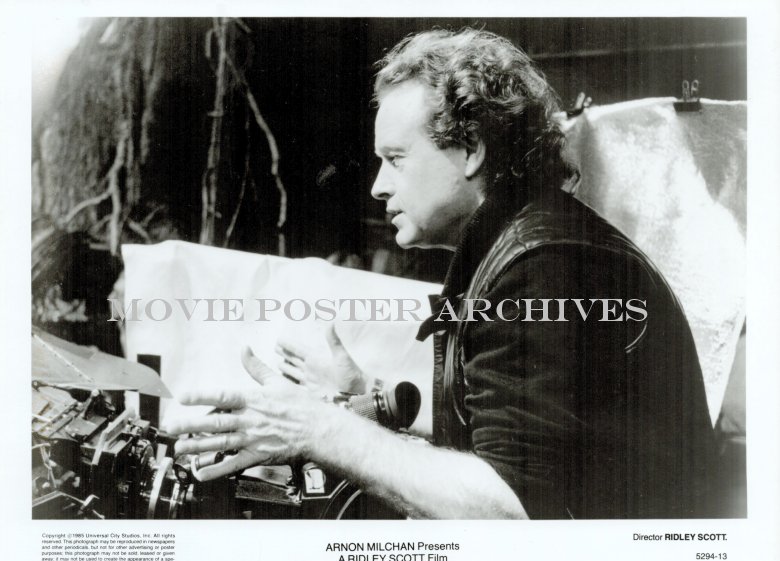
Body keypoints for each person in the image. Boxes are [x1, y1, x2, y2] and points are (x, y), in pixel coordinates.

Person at [169, 28, 716, 519]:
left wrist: (318, 428)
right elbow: (520, 435)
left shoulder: (544, 264)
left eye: (396, 158)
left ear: (472, 149)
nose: (378, 186)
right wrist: (366, 400)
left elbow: (509, 509)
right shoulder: (517, 245)